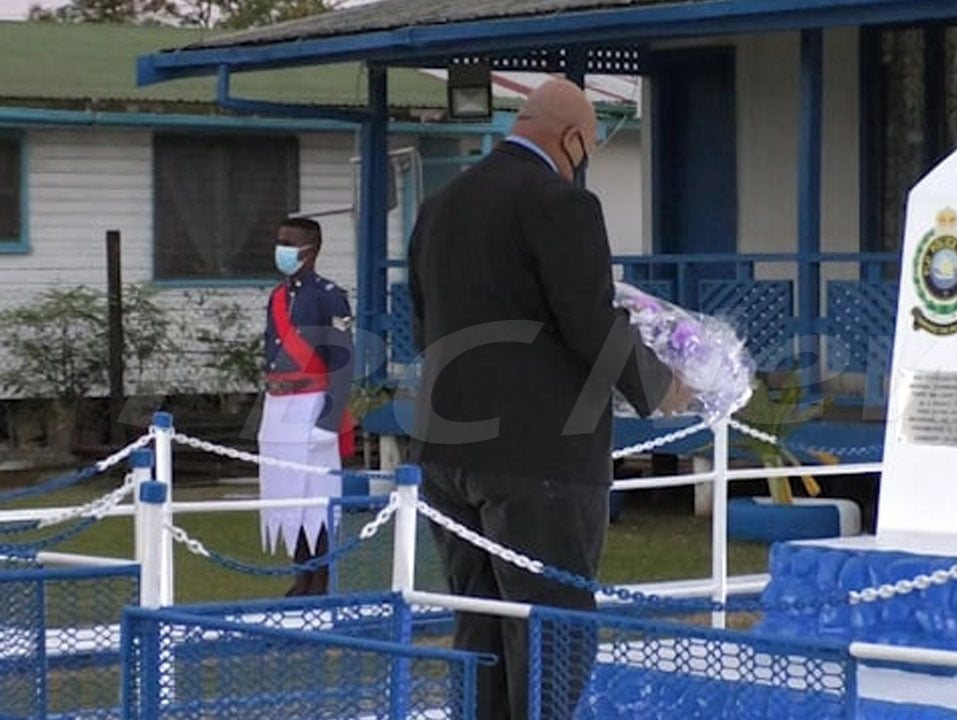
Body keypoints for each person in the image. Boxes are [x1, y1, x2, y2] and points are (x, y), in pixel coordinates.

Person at [407, 78, 691, 720]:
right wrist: (660, 383)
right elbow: (588, 319)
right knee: (552, 630)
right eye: (589, 146)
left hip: (446, 448)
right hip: (539, 457)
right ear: (572, 140)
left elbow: (423, 326)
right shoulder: (562, 204)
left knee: (480, 627)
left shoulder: (441, 205)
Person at [258, 216, 356, 597]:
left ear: (309, 250)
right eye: (278, 241)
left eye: (288, 243)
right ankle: (300, 574)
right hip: (279, 404)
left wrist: (329, 420)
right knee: (286, 492)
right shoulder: (278, 297)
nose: (279, 249)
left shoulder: (329, 296)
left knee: (316, 495)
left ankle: (320, 579)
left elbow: (342, 362)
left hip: (312, 404)